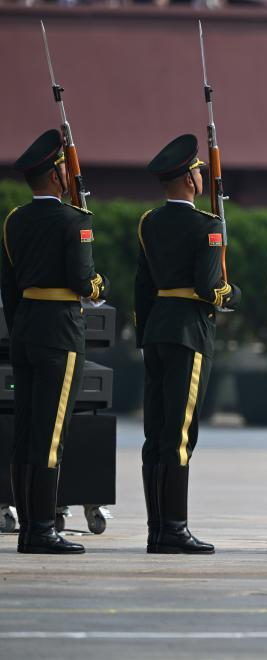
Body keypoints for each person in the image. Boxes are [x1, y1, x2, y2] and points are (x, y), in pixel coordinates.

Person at [2, 129, 108, 554]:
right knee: (50, 433)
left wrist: (21, 324)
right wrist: (99, 285)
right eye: (64, 167)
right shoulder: (74, 221)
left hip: (25, 329)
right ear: (55, 174)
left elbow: (8, 287)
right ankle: (43, 529)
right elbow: (84, 282)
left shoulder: (14, 220)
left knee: (26, 431)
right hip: (60, 332)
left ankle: (30, 525)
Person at [135, 134, 240, 554]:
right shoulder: (207, 226)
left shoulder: (149, 222)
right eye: (197, 171)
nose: (201, 176)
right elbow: (209, 287)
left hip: (158, 329)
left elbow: (143, 284)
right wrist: (231, 295)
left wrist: (145, 332)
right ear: (190, 181)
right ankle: (174, 529)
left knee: (155, 432)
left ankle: (157, 526)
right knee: (179, 432)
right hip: (189, 333)